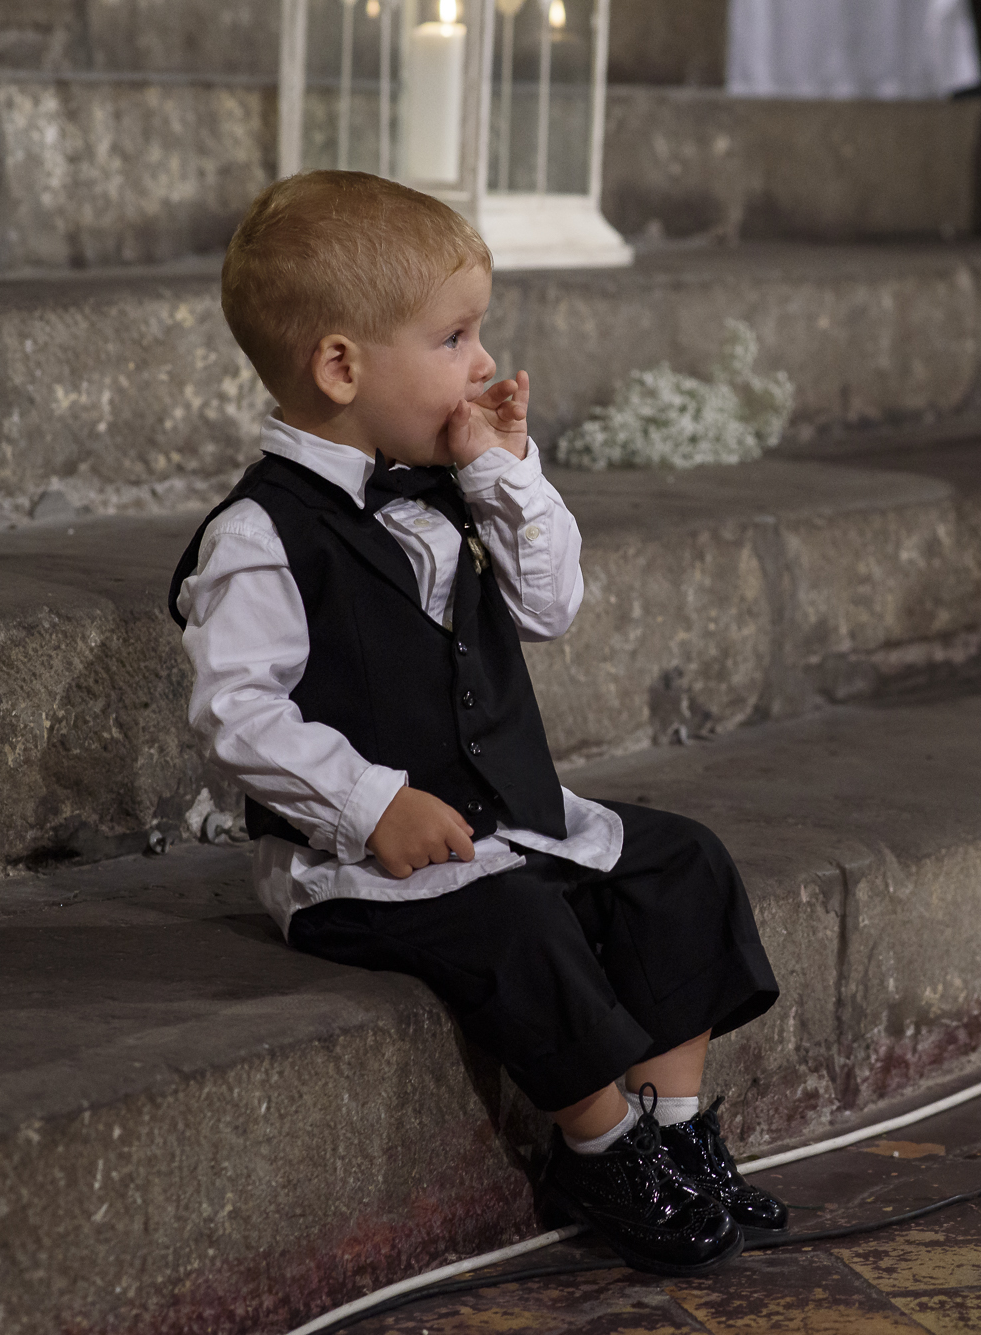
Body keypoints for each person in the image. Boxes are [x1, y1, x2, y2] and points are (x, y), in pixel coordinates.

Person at [167, 170, 784, 1277]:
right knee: (518, 929)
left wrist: (504, 473)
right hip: (354, 864)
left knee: (680, 864)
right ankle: (595, 1146)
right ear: (341, 365)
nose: (483, 363)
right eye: (454, 337)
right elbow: (236, 711)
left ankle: (672, 1131)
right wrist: (370, 802)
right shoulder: (261, 533)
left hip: (506, 818)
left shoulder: (454, 486)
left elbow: (552, 607)